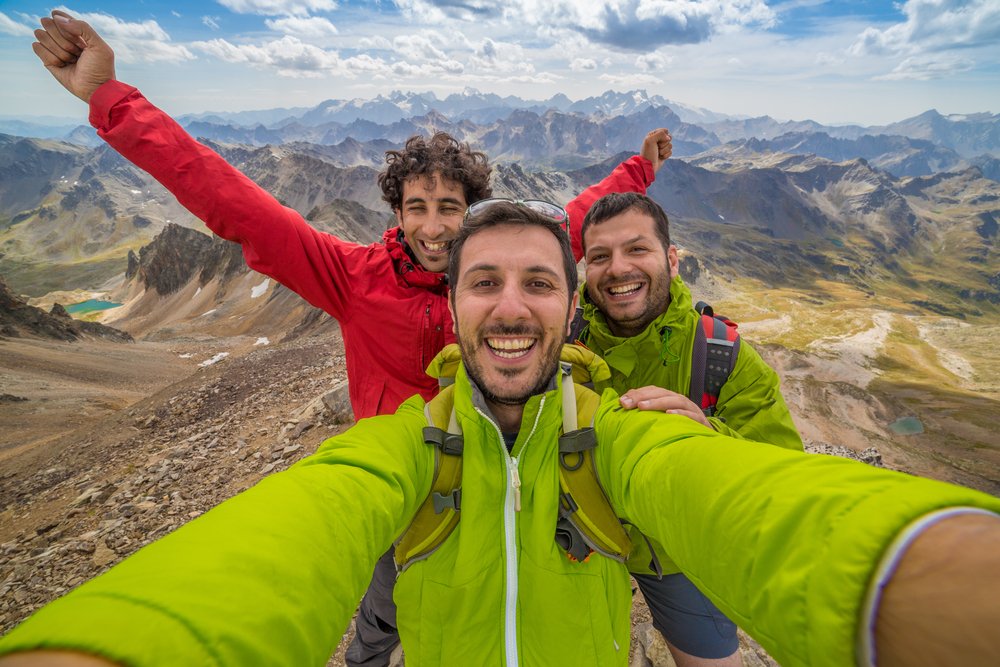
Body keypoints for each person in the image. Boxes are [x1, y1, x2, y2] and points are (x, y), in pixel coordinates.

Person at [1, 202, 998, 667]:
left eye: (537, 283)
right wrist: (122, 645)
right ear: (453, 302)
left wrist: (917, 571)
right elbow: (296, 523)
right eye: (484, 280)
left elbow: (756, 504)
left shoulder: (622, 433)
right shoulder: (404, 442)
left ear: (569, 309)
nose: (511, 306)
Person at [30, 12, 667, 666]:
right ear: (396, 211)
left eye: (450, 207)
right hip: (402, 488)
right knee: (381, 620)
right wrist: (110, 98)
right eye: (417, 206)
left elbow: (581, 212)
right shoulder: (353, 279)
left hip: (502, 470)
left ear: (470, 212)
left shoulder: (493, 277)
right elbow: (234, 202)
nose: (434, 225)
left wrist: (639, 171)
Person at [576, 191, 803, 665]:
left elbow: (783, 471)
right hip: (582, 543)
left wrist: (708, 437)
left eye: (637, 249)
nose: (618, 269)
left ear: (672, 260)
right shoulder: (562, 341)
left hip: (677, 554)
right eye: (600, 256)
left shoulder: (722, 354)